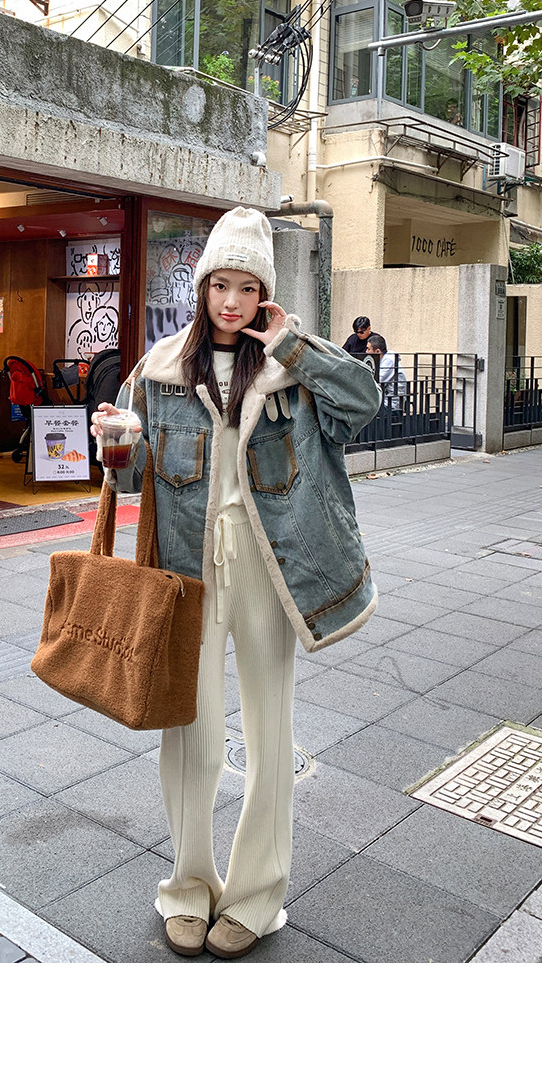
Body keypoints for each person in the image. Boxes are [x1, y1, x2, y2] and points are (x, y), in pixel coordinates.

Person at [91, 207, 381, 960]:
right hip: (187, 567)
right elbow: (134, 473)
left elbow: (363, 403)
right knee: (189, 732)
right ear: (201, 287)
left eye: (247, 287)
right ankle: (188, 888)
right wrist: (116, 446)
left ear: (264, 295)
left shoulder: (290, 366)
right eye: (220, 284)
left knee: (269, 729)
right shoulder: (160, 368)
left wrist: (293, 342)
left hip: (267, 563)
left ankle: (255, 894)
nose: (231, 301)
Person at [366, 333, 407, 410]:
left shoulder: (389, 361)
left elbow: (377, 381)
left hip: (390, 406)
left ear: (377, 351)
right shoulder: (384, 359)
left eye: (368, 349)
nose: (366, 352)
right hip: (385, 402)